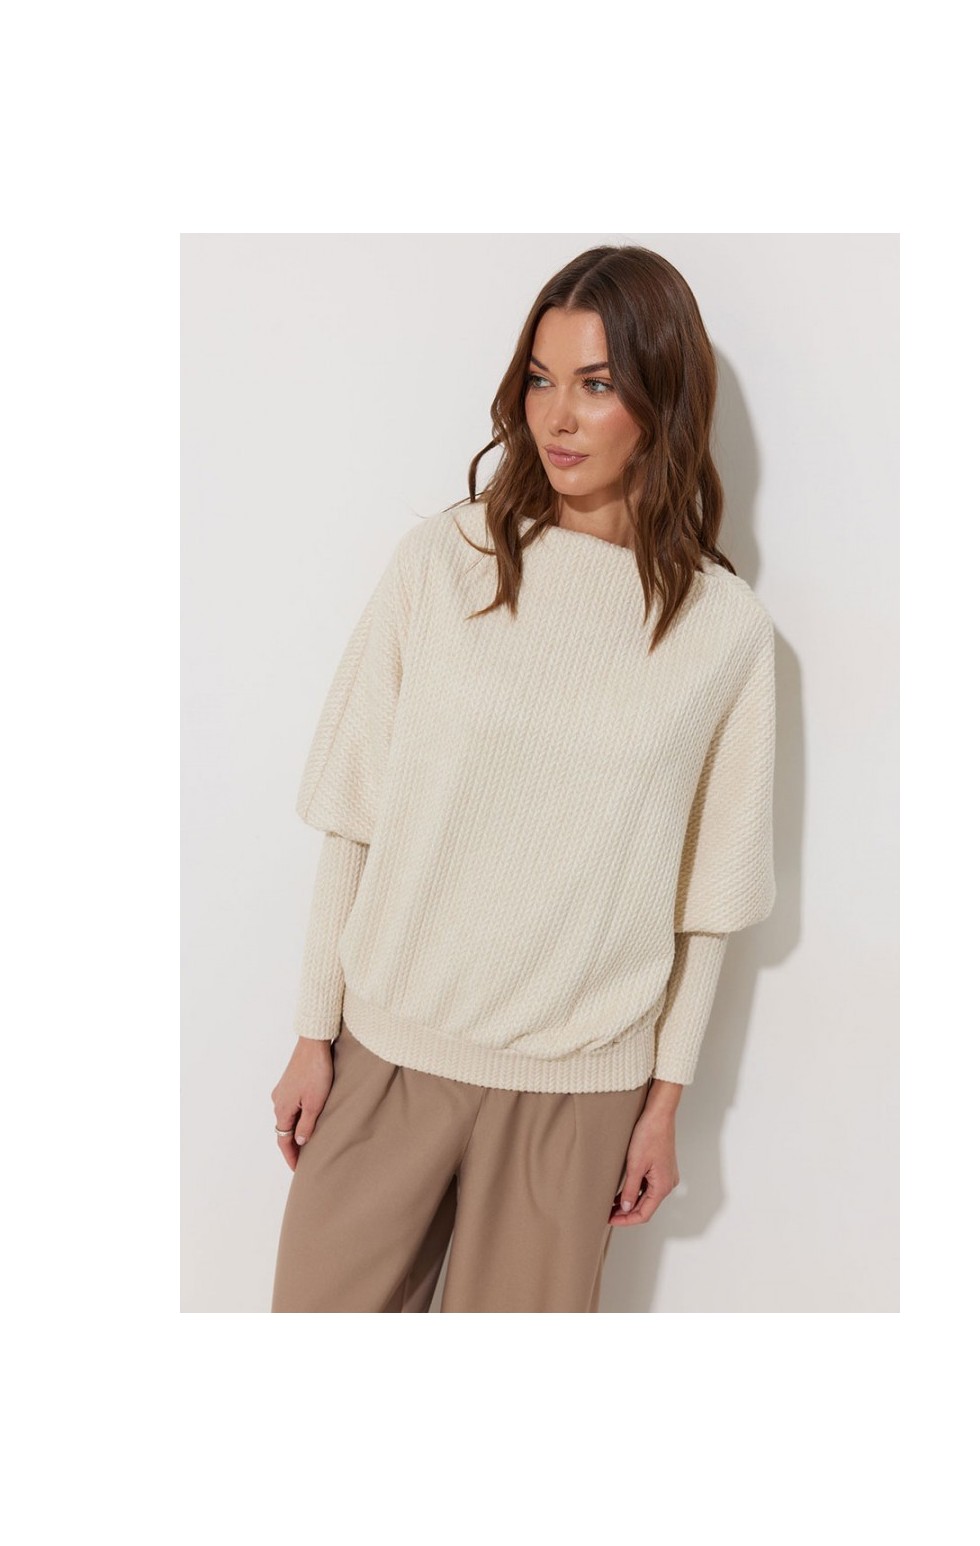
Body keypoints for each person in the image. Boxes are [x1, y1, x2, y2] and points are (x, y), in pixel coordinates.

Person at [270, 244, 777, 1313]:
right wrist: (314, 1032)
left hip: (577, 1096)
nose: (558, 417)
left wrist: (664, 1103)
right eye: (542, 380)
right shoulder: (441, 561)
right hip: (388, 1059)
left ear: (663, 400)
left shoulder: (722, 632)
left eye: (597, 384)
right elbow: (353, 811)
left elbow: (710, 902)